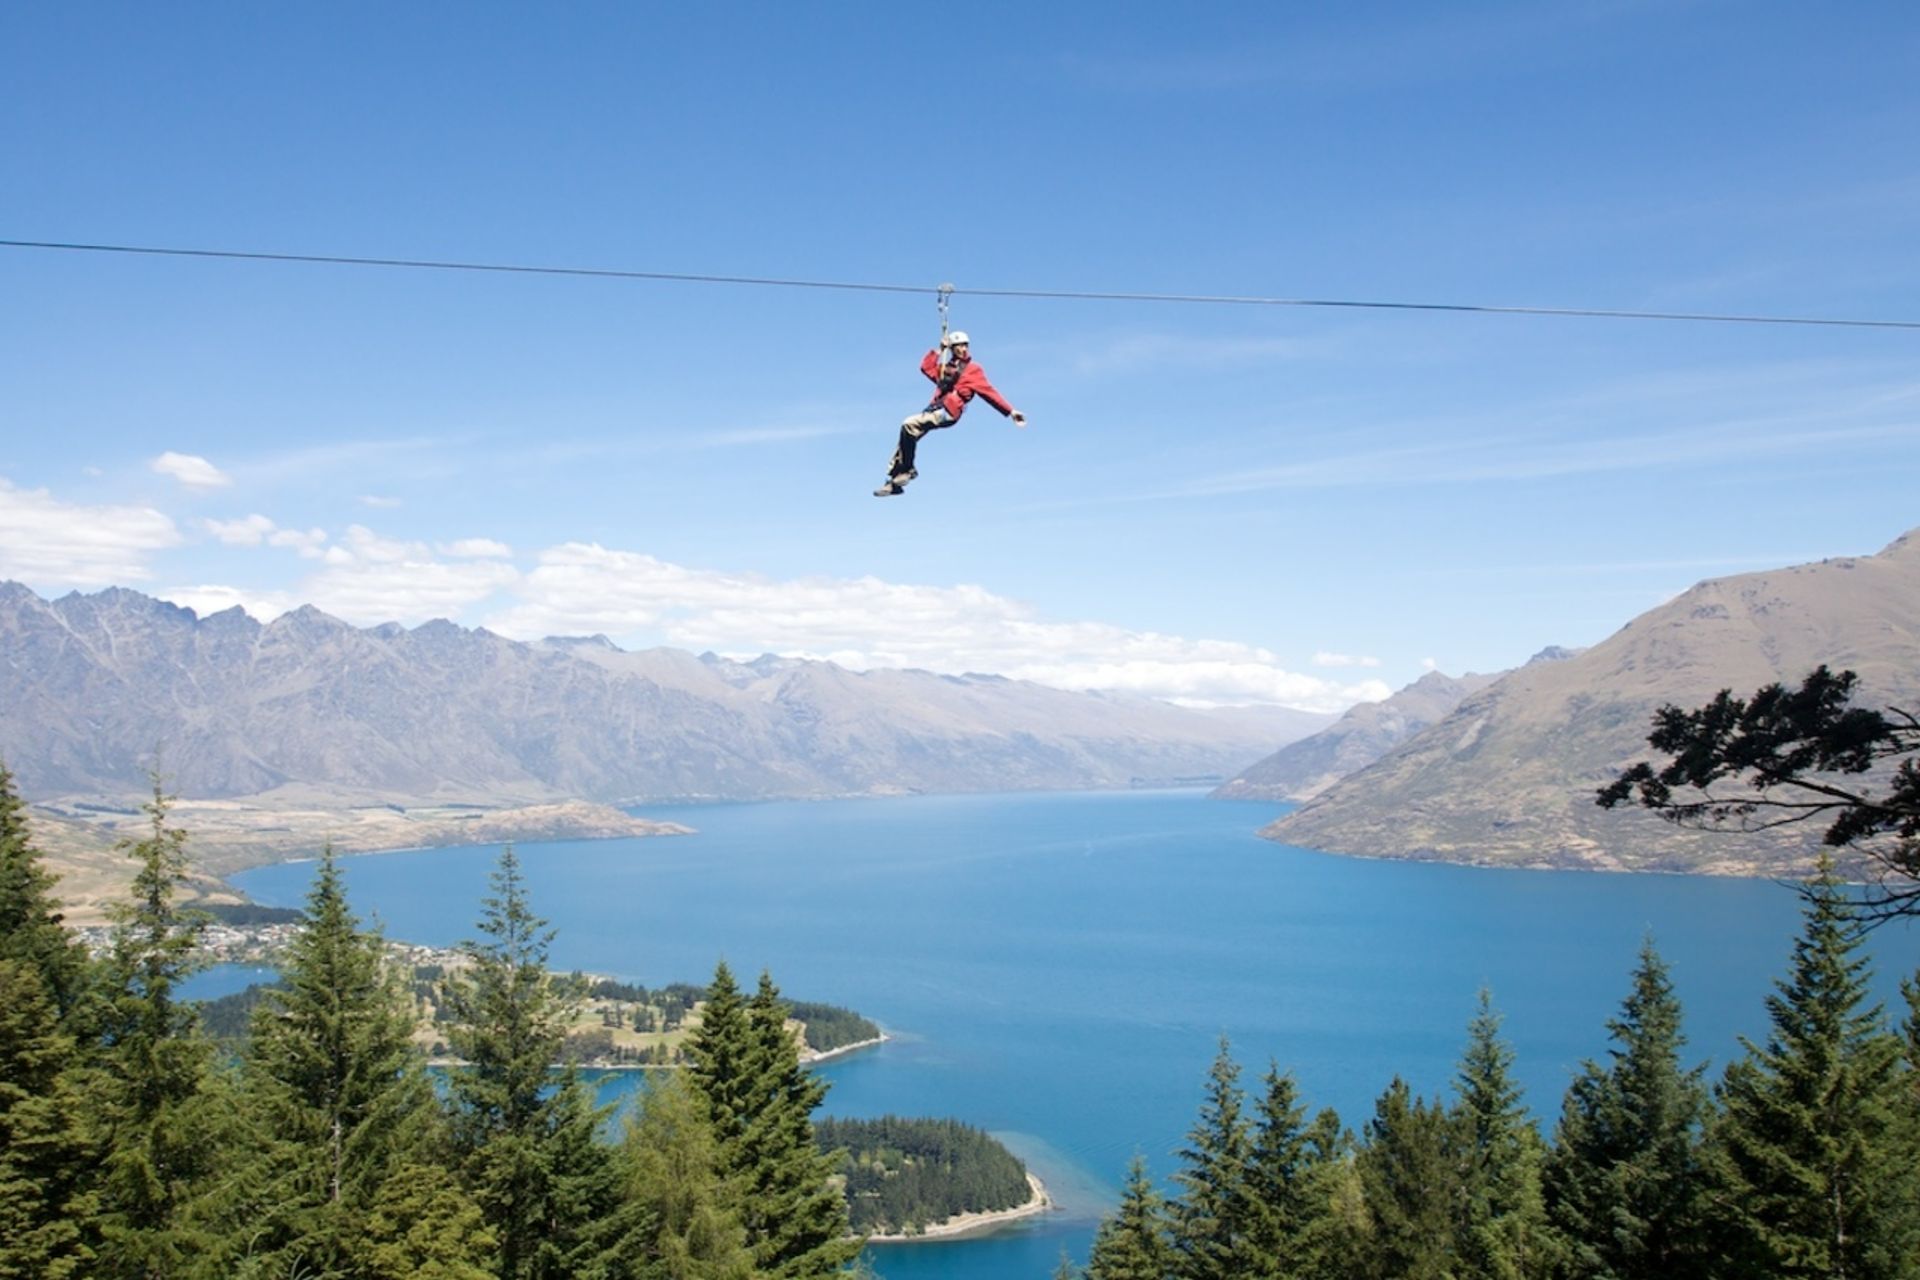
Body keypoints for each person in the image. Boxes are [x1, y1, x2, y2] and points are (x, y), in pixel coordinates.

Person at [874, 331, 1027, 496]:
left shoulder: (973, 370)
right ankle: (895, 480)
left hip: (948, 412)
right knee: (907, 437)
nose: (963, 349)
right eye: (959, 346)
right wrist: (939, 351)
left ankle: (908, 470)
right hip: (934, 409)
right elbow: (926, 368)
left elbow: (989, 392)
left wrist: (1010, 411)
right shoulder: (945, 369)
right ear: (953, 348)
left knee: (908, 424)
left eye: (965, 345)